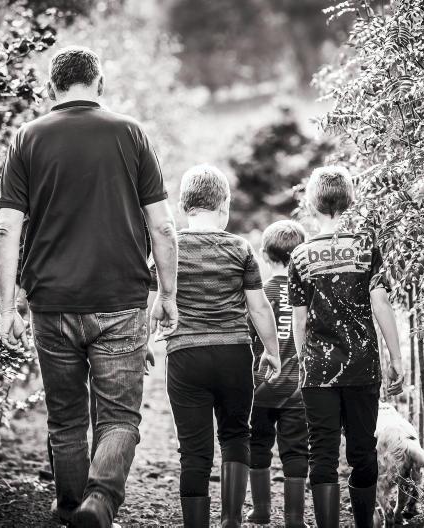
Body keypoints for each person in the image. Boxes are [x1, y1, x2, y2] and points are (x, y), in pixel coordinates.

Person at [0, 46, 178, 528]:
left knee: (66, 418)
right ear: (100, 83)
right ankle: (99, 502)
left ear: (51, 87)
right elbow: (163, 226)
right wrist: (167, 295)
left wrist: (7, 307)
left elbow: (7, 228)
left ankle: (71, 506)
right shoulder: (130, 133)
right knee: (119, 418)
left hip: (52, 304)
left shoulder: (27, 138)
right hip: (120, 301)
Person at [150, 164, 281, 528]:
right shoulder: (240, 248)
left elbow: (151, 302)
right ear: (224, 204)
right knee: (236, 435)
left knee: (193, 451)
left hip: (185, 357)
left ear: (183, 206)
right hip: (233, 355)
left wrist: (142, 342)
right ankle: (231, 521)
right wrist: (272, 351)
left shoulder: (168, 248)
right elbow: (259, 307)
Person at [288, 166, 404, 528]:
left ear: (311, 203)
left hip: (318, 372)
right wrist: (396, 358)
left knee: (321, 453)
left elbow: (299, 321)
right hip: (362, 367)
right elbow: (381, 303)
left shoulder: (300, 256)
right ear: (350, 201)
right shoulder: (367, 247)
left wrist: (304, 362)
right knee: (362, 452)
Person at [246, 220, 310, 527]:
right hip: (297, 388)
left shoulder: (259, 294)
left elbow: (248, 337)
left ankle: (260, 511)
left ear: (264, 255)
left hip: (261, 386)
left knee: (258, 445)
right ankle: (294, 518)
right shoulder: (307, 294)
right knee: (296, 450)